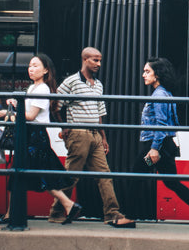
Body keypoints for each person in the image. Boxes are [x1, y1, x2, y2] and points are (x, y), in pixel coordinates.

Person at [52, 47, 134, 228]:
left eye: (100, 60)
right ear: (85, 59)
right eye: (95, 60)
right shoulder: (72, 81)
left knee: (104, 175)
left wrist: (103, 137)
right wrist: (64, 127)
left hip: (95, 134)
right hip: (79, 133)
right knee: (72, 175)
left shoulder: (98, 84)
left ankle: (112, 214)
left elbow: (99, 112)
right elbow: (55, 104)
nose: (99, 64)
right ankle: (57, 211)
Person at [0, 54, 78, 225]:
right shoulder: (33, 88)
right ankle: (68, 205)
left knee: (26, 173)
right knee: (33, 174)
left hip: (35, 136)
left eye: (35, 65)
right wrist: (17, 103)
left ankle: (12, 215)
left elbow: (31, 116)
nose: (30, 69)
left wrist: (9, 114)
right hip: (32, 135)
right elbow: (30, 110)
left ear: (46, 70)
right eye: (30, 66)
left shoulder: (42, 89)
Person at [138, 58, 189, 230]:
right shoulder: (165, 93)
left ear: (158, 74)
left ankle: (125, 216)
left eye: (147, 71)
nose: (143, 75)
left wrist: (154, 149)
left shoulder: (159, 95)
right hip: (165, 146)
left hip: (155, 147)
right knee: (171, 182)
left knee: (136, 175)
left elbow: (162, 125)